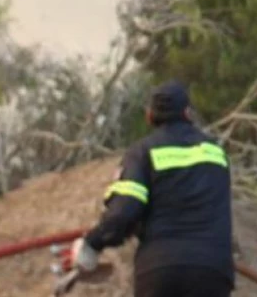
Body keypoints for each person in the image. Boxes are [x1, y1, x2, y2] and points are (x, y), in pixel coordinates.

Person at [70, 81, 236, 297]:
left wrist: (92, 244)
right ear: (188, 113)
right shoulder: (216, 153)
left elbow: (125, 210)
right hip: (213, 270)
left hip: (161, 269)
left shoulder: (143, 152)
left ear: (149, 116)